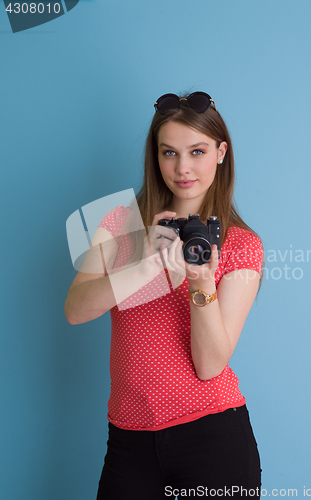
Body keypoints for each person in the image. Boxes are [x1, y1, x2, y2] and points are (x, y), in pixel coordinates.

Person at [65, 91, 264, 499]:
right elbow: (76, 310)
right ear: (155, 156)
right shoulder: (120, 223)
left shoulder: (242, 245)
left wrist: (200, 283)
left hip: (212, 437)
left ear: (221, 152)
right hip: (128, 440)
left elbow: (209, 366)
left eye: (197, 151)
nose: (183, 167)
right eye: (169, 152)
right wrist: (147, 265)